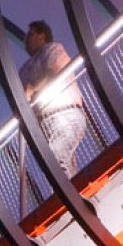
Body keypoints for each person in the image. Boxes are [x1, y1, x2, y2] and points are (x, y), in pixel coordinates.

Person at [18, 20, 87, 177]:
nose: (26, 39)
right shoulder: (23, 69)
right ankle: (72, 189)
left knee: (58, 159)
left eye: (31, 34)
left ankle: (66, 192)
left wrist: (34, 88)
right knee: (62, 162)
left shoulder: (51, 49)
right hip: (44, 124)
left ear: (42, 35)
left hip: (63, 113)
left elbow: (59, 71)